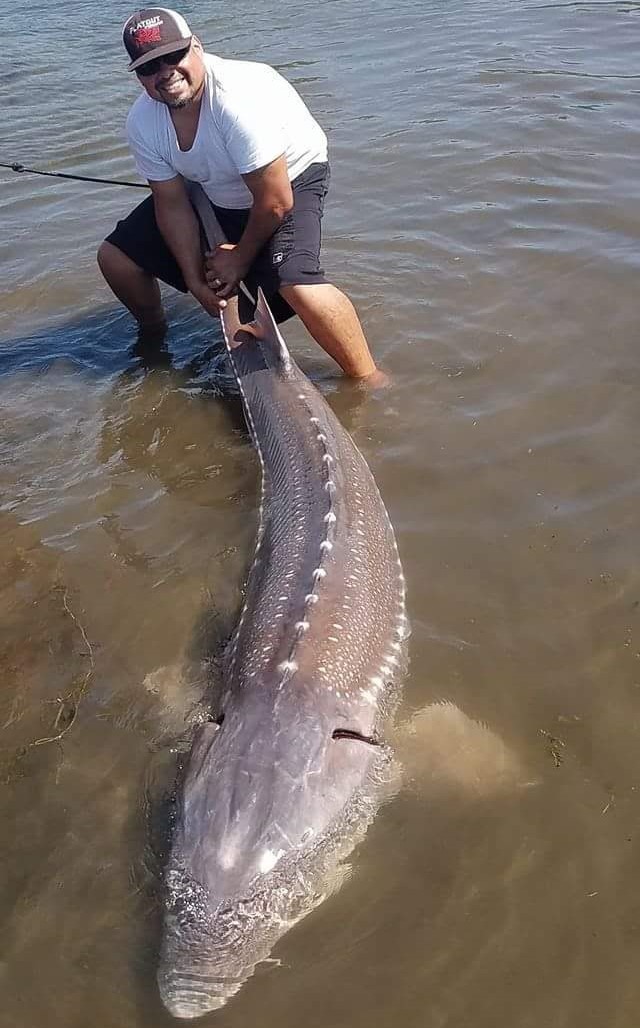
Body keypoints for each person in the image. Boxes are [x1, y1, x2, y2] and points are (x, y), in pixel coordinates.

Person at [98, 7, 382, 381]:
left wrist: (240, 258)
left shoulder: (236, 101)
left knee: (296, 283)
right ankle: (154, 338)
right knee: (115, 258)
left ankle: (371, 380)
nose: (165, 72)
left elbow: (276, 200)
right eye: (150, 66)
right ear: (139, 76)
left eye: (173, 56)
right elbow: (171, 202)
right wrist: (194, 279)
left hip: (290, 181)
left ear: (196, 47)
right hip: (211, 187)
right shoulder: (143, 122)